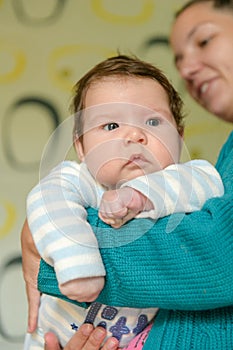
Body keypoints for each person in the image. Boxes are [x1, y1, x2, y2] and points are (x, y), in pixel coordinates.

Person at [21, 0, 233, 349]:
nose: (134, 135)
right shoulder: (76, 179)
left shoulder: (189, 177)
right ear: (83, 148)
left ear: (179, 138)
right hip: (59, 335)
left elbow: (208, 202)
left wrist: (140, 196)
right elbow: (47, 202)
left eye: (152, 122)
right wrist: (76, 267)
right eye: (111, 124)